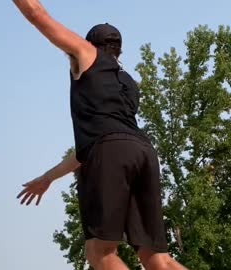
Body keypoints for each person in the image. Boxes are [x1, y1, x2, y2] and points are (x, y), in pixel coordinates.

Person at [12, 1, 188, 269]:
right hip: (143, 152)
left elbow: (38, 14)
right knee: (156, 258)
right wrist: (47, 178)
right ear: (120, 51)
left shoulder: (87, 54)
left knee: (100, 252)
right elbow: (94, 147)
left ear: (89, 45)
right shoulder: (128, 83)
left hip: (112, 153)